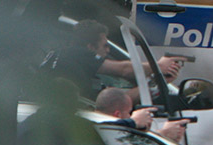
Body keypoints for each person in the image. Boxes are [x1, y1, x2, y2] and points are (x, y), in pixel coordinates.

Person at [41, 19, 182, 100]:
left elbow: (117, 101)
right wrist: (158, 66)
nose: (108, 51)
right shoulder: (77, 54)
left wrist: (154, 82)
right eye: (105, 46)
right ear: (90, 47)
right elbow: (124, 69)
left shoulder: (76, 65)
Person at [95, 87, 190, 142]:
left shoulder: (91, 123)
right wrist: (163, 134)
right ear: (117, 115)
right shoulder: (106, 136)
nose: (131, 116)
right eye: (129, 112)